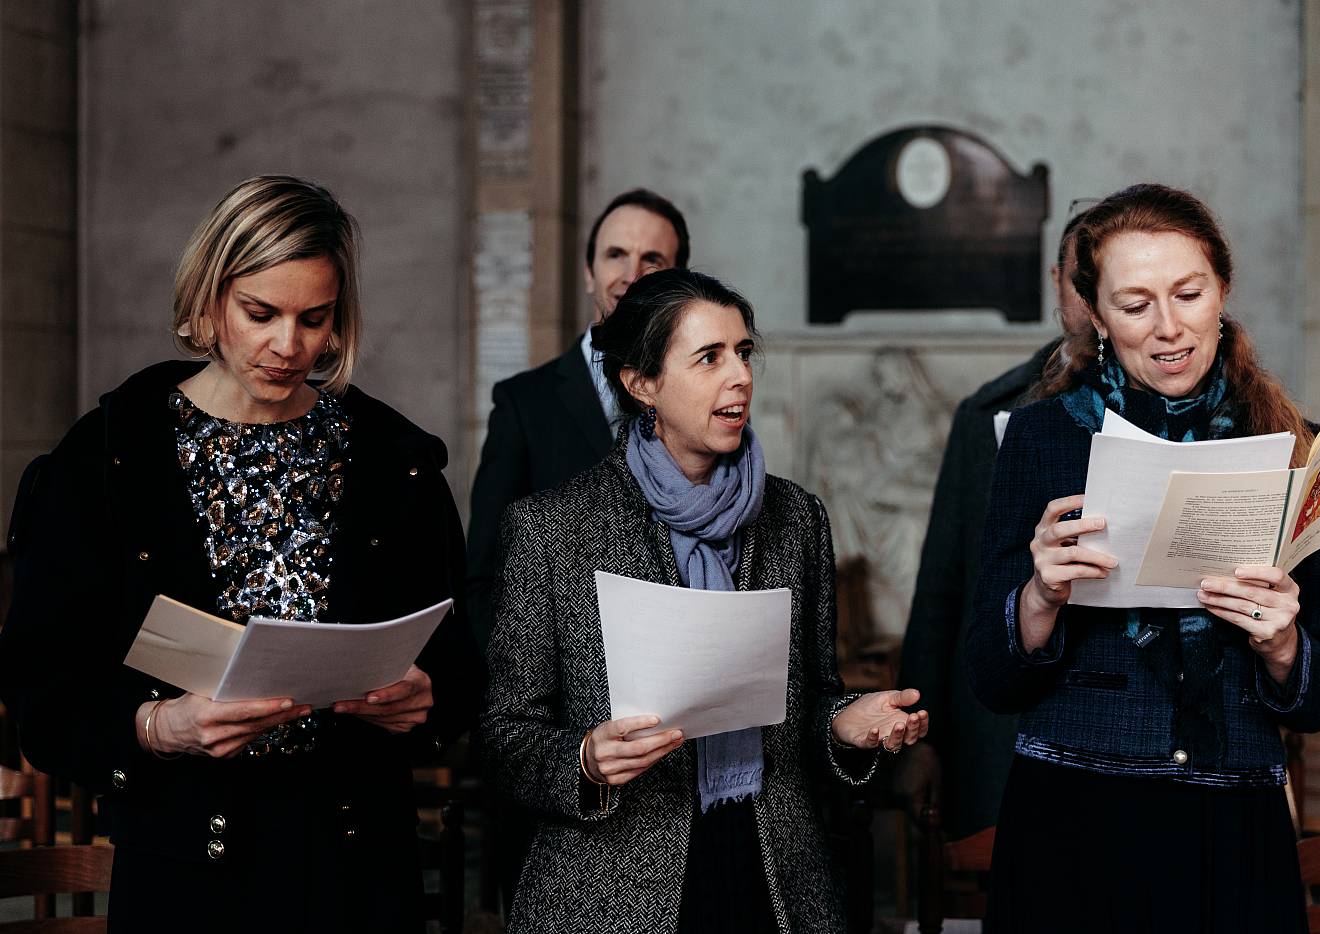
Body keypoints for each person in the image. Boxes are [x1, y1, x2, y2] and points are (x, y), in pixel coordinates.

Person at [0, 175, 481, 933]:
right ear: (209, 298)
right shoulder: (104, 459)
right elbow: (39, 697)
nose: (289, 346)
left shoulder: (395, 459)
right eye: (261, 313)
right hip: (185, 869)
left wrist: (426, 701)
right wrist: (164, 727)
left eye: (314, 319)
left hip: (357, 863)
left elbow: (461, 659)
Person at [480, 267, 930, 933]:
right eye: (710, 357)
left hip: (773, 869)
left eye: (744, 353)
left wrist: (845, 724)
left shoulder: (796, 519)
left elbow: (808, 701)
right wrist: (583, 760)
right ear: (642, 384)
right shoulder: (553, 530)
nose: (740, 377)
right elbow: (503, 736)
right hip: (613, 882)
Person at [967, 183, 1320, 933]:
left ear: (1223, 292)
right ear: (1097, 317)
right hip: (1071, 816)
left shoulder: (1293, 444)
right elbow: (988, 675)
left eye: (1188, 293)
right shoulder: (1041, 439)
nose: (1168, 328)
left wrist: (1282, 645)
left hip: (1232, 816)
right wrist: (1039, 598)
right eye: (1136, 305)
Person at [898, 209, 1092, 839]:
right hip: (1004, 727)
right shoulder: (990, 414)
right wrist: (919, 734)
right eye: (1079, 279)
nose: (1093, 299)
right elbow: (943, 585)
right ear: (1054, 281)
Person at [464, 187, 690, 649]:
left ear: (680, 281)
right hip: (559, 680)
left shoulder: (703, 397)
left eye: (653, 259)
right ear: (589, 274)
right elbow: (484, 573)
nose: (631, 275)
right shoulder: (523, 403)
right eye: (615, 255)